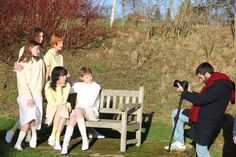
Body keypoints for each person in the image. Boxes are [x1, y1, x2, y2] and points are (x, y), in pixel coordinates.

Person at [164, 62, 235, 157]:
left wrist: (184, 93)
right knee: (176, 113)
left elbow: (200, 100)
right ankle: (180, 143)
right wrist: (190, 92)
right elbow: (205, 97)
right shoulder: (216, 82)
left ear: (206, 74)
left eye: (200, 77)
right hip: (200, 115)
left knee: (201, 150)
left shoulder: (219, 86)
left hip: (207, 122)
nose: (200, 81)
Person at [5, 27, 44, 144]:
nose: (42, 39)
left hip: (38, 87)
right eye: (39, 36)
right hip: (27, 89)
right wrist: (16, 66)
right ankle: (13, 131)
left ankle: (28, 134)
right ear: (34, 37)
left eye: (43, 36)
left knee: (33, 114)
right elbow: (20, 65)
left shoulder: (41, 51)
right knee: (29, 113)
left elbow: (43, 69)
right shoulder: (24, 49)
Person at [61, 67, 104, 154]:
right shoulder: (78, 85)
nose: (90, 78)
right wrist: (67, 79)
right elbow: (68, 90)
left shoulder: (96, 86)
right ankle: (65, 145)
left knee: (77, 110)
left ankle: (85, 139)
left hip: (91, 112)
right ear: (82, 78)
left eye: (90, 76)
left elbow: (90, 102)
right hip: (79, 111)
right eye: (87, 77)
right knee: (73, 118)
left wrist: (78, 108)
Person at [14, 40, 45, 150]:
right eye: (37, 49)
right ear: (30, 48)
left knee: (34, 117)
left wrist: (41, 93)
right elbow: (22, 83)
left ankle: (32, 136)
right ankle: (20, 142)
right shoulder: (21, 64)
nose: (39, 51)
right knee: (30, 115)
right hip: (25, 96)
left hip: (36, 94)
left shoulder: (40, 62)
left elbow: (42, 78)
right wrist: (29, 97)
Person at [45, 66, 71, 150]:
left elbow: (63, 100)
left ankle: (55, 137)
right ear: (57, 76)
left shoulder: (67, 85)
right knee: (62, 110)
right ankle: (55, 138)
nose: (65, 77)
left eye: (65, 75)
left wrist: (60, 87)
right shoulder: (48, 84)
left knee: (62, 112)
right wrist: (59, 87)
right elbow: (51, 101)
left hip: (62, 108)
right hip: (52, 108)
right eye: (63, 75)